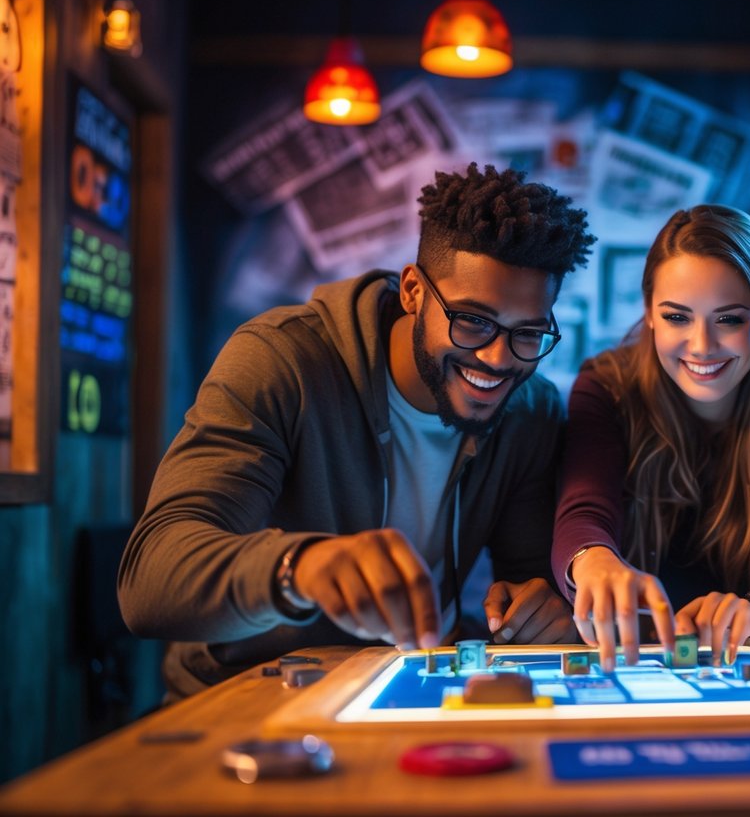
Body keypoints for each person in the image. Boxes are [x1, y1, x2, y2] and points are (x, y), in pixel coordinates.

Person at [119, 163, 596, 699]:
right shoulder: (281, 359)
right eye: (473, 321)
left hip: (421, 691)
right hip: (244, 695)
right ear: (413, 290)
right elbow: (149, 583)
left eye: (528, 333)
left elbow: (529, 581)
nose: (496, 358)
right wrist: (301, 567)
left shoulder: (529, 409)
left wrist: (545, 617)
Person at [553, 204, 750, 671]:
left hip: (749, 663)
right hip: (633, 663)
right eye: (677, 318)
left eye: (728, 319)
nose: (702, 345)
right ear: (648, 314)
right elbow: (585, 508)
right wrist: (593, 560)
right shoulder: (608, 386)